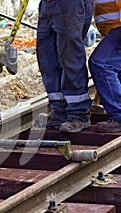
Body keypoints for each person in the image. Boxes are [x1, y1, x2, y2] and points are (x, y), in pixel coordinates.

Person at [35, 0, 93, 133]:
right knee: (47, 57)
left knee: (69, 57)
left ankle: (79, 113)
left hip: (70, 4)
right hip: (48, 4)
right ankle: (59, 111)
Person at [88, 1, 121, 132]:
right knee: (114, 65)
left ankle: (118, 116)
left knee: (101, 64)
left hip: (118, 26)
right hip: (114, 26)